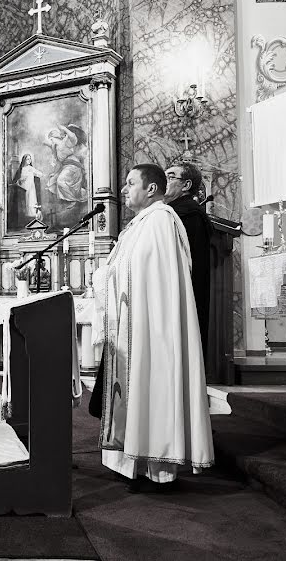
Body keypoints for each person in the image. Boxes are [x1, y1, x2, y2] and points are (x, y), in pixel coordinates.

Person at [89, 163, 213, 491]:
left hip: (153, 327)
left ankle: (157, 466)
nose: (125, 189)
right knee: (134, 390)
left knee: (152, 389)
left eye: (131, 183)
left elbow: (156, 277)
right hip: (136, 323)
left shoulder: (160, 220)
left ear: (152, 189)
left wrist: (108, 276)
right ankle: (133, 462)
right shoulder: (141, 223)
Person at [165, 162, 213, 361]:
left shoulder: (188, 215)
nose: (164, 181)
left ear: (186, 185)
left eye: (170, 176)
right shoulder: (172, 212)